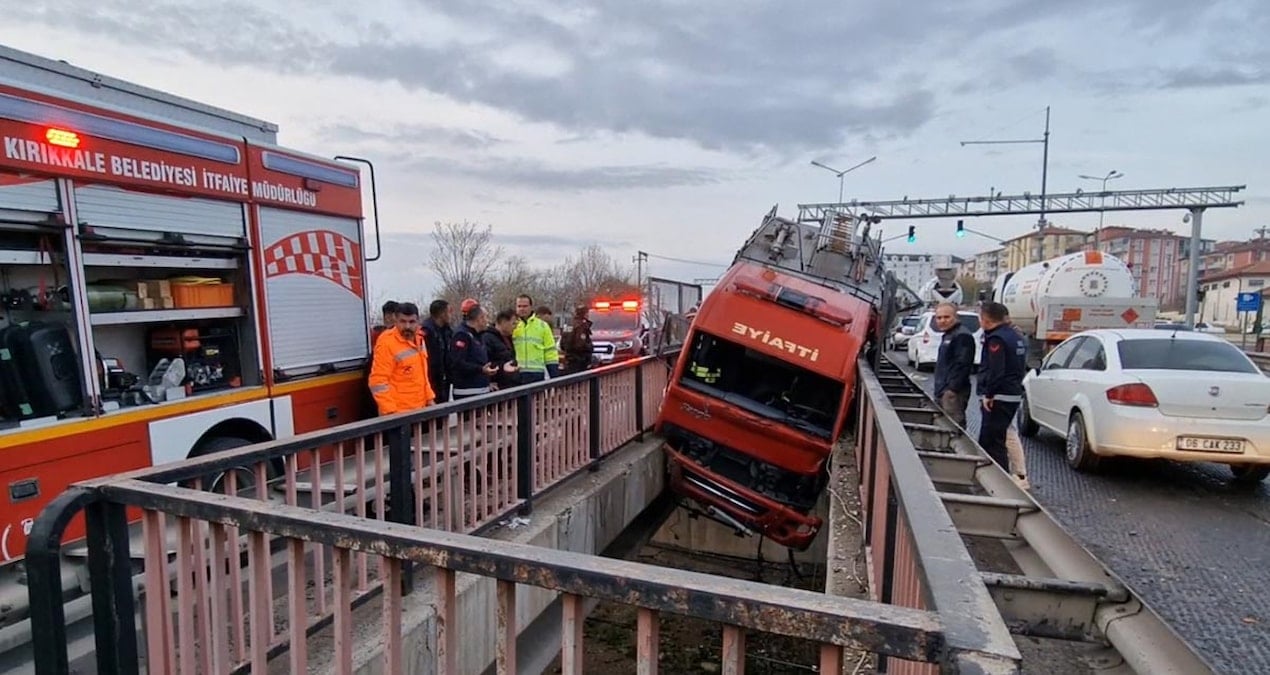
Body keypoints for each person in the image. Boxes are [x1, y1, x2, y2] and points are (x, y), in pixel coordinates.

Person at [977, 301, 1028, 469]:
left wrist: (989, 394)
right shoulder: (1014, 336)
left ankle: (998, 478)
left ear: (985, 319)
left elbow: (996, 371)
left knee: (991, 442)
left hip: (999, 397)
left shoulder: (996, 339)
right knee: (1000, 437)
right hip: (1012, 393)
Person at [368, 302, 436, 414]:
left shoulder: (419, 339)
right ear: (395, 321)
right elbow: (377, 382)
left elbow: (422, 375)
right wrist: (391, 412)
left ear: (418, 321)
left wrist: (429, 399)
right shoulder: (387, 342)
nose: (407, 326)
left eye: (411, 322)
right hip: (398, 414)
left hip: (419, 409)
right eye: (403, 321)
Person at [930, 302, 976, 428]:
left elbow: (963, 365)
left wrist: (952, 389)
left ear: (956, 317)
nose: (942, 321)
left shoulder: (962, 335)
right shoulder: (949, 335)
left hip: (952, 394)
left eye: (946, 317)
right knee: (943, 426)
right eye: (939, 318)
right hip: (943, 390)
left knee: (953, 428)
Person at [446, 301, 499, 401]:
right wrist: (480, 369)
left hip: (481, 390)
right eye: (486, 317)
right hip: (467, 392)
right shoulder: (462, 335)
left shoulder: (480, 335)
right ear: (479, 319)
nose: (487, 321)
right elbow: (458, 363)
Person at [512, 294, 560, 383]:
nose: (522, 309)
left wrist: (554, 375)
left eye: (525, 306)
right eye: (519, 306)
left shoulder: (542, 326)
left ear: (531, 307)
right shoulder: (512, 326)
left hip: (536, 373)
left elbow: (550, 352)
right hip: (516, 372)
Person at [421, 300, 453, 403]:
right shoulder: (426, 332)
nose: (450, 315)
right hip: (431, 381)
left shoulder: (447, 331)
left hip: (444, 380)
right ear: (442, 314)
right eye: (449, 312)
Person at [481, 309, 519, 389]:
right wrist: (489, 381)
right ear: (504, 322)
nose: (515, 327)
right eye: (513, 324)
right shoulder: (487, 338)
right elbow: (485, 362)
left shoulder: (509, 338)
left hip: (510, 384)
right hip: (498, 386)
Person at [559, 305, 595, 374]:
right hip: (579, 360)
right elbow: (580, 344)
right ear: (585, 314)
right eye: (587, 313)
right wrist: (590, 347)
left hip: (568, 359)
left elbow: (562, 344)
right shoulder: (581, 326)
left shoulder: (569, 324)